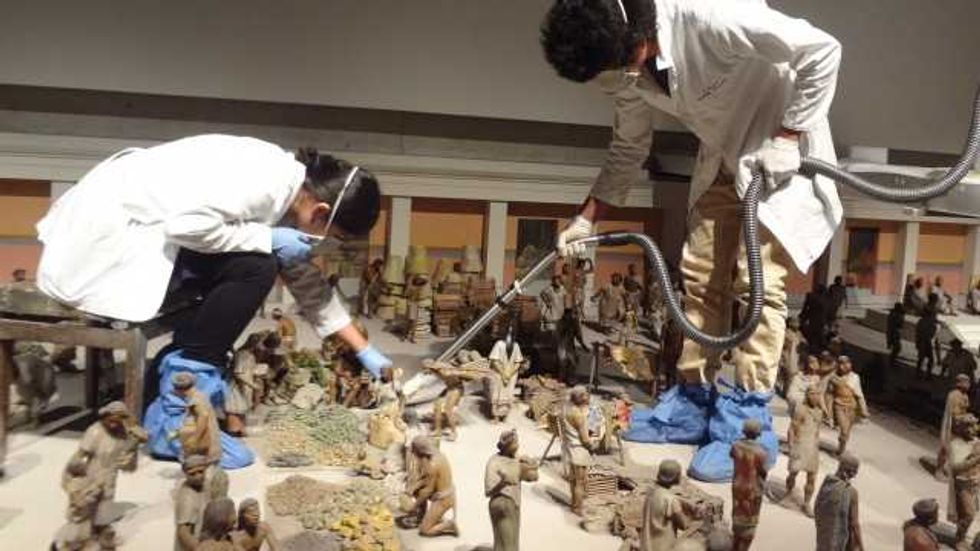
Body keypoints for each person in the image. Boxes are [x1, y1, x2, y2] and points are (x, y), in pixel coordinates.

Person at [543, 0, 842, 479]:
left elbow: (823, 50)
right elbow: (628, 145)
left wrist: (788, 137)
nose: (616, 81)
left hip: (775, 151)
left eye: (617, 68)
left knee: (756, 284)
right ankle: (692, 400)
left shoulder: (709, 16)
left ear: (637, 43)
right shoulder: (628, 68)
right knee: (700, 274)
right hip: (723, 151)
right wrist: (587, 219)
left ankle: (746, 417)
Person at [34, 136, 393, 434]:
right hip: (113, 238)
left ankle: (173, 372)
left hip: (149, 232)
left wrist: (363, 349)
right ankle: (178, 403)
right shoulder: (264, 181)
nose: (324, 245)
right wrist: (266, 238)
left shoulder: (288, 189)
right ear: (320, 212)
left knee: (259, 257)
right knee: (256, 267)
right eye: (335, 236)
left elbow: (304, 279)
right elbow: (185, 227)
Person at [484, 430, 539, 551]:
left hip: (514, 504)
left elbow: (533, 477)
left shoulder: (517, 459)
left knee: (512, 542)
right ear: (506, 446)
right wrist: (503, 483)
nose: (517, 446)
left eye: (517, 443)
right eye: (514, 444)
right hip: (501, 505)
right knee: (506, 542)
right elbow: (488, 492)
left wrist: (532, 465)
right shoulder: (494, 462)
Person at [640, 459, 700, 551]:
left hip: (646, 545)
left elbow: (660, 497)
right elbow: (683, 525)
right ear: (675, 477)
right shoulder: (671, 500)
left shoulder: (650, 493)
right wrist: (695, 518)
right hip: (663, 547)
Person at [405, 436, 458, 537]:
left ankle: (449, 525)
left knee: (425, 530)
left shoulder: (432, 464)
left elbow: (427, 491)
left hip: (444, 498)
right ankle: (422, 516)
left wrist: (414, 506)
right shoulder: (432, 455)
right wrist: (414, 486)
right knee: (417, 491)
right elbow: (426, 478)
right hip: (441, 491)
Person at [785, 386, 824, 516]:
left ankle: (807, 503)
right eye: (813, 394)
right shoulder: (800, 409)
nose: (816, 397)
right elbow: (792, 429)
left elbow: (817, 431)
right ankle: (788, 494)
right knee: (793, 473)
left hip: (812, 447)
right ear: (807, 395)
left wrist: (816, 447)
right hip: (800, 445)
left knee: (812, 477)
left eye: (818, 395)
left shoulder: (819, 411)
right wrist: (791, 446)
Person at [730, 419, 768, 551]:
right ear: (758, 433)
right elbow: (764, 471)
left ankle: (735, 544)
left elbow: (732, 456)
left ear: (744, 431)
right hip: (752, 489)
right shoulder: (761, 452)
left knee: (737, 513)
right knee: (749, 524)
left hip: (737, 484)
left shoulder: (735, 445)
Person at [814, 453, 863, 551]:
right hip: (841, 543)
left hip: (823, 538)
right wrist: (861, 546)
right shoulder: (851, 492)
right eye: (855, 472)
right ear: (851, 473)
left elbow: (817, 507)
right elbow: (854, 524)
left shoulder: (827, 483)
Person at [948, 414, 980, 550]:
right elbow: (956, 467)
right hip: (962, 483)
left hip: (975, 482)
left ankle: (963, 535)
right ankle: (959, 538)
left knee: (970, 512)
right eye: (967, 426)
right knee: (969, 514)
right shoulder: (956, 444)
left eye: (973, 425)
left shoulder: (977, 442)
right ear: (961, 428)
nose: (971, 429)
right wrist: (976, 459)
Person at [826, 356, 868, 456]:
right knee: (844, 430)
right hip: (839, 406)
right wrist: (829, 413)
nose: (845, 366)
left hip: (852, 407)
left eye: (847, 363)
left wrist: (863, 409)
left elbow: (859, 395)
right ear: (838, 365)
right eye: (842, 364)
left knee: (847, 432)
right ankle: (841, 450)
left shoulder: (855, 377)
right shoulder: (833, 378)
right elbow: (829, 395)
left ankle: (841, 447)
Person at [938, 375, 972, 480]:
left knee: (956, 450)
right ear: (960, 383)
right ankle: (938, 470)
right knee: (945, 447)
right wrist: (965, 418)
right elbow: (955, 414)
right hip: (952, 425)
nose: (969, 385)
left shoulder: (965, 396)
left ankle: (948, 468)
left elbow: (964, 410)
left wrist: (968, 417)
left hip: (960, 427)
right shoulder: (954, 395)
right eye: (966, 382)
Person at [174, 454, 210, 551]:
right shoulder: (187, 498)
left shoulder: (205, 484)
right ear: (185, 474)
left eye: (201, 472)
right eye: (192, 474)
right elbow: (183, 532)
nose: (198, 476)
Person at [916, 310, 939, 378]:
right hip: (927, 342)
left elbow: (918, 332)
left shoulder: (921, 321)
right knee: (930, 360)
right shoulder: (932, 324)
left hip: (922, 341)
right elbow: (933, 335)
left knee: (921, 359)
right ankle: (927, 374)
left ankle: (919, 373)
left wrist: (917, 342)